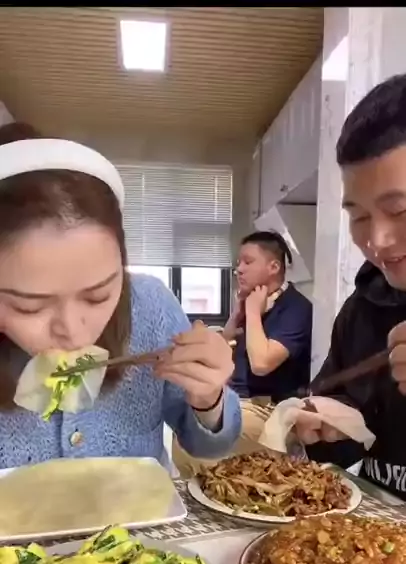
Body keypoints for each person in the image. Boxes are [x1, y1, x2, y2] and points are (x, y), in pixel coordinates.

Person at [0, 122, 241, 470]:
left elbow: (207, 443)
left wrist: (208, 397)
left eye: (98, 296)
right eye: (29, 306)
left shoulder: (150, 305)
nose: (74, 333)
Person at [291, 73, 406, 500]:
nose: (377, 240)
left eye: (400, 210)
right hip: (374, 531)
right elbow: (342, 446)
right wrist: (323, 427)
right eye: (358, 216)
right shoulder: (363, 307)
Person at [172, 230, 312, 476]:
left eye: (248, 262)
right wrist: (236, 316)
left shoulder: (296, 308)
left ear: (274, 267)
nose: (239, 270)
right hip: (237, 401)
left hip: (269, 410)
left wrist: (254, 312)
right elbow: (223, 353)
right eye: (239, 263)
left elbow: (261, 364)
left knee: (192, 444)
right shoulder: (252, 304)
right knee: (184, 426)